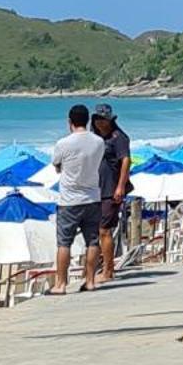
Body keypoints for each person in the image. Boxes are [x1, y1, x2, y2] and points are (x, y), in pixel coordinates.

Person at [51, 103, 106, 295]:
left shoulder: (63, 143)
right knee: (92, 240)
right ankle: (90, 280)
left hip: (69, 199)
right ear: (88, 121)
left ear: (69, 122)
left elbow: (57, 165)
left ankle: (61, 284)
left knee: (64, 243)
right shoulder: (99, 142)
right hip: (92, 196)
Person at [91, 105, 132, 281]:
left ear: (110, 120)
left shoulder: (118, 137)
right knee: (96, 230)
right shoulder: (95, 136)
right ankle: (99, 268)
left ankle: (109, 271)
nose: (100, 122)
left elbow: (126, 161)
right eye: (97, 119)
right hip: (95, 189)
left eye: (103, 119)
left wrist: (120, 186)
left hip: (111, 189)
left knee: (104, 230)